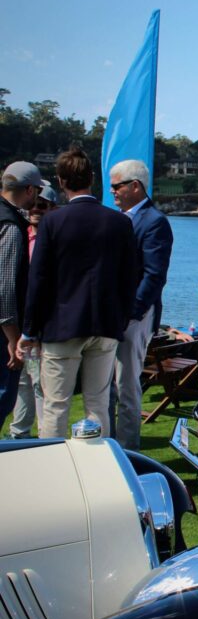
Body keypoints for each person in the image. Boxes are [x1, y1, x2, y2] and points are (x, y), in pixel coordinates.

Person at [18, 147, 136, 439]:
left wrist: (29, 330)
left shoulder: (53, 222)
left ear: (60, 181)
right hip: (106, 324)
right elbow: (131, 276)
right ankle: (99, 466)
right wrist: (120, 318)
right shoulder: (120, 222)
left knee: (56, 405)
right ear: (92, 178)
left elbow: (39, 279)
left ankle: (54, 471)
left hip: (62, 325)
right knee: (98, 402)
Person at [108, 159, 173, 450]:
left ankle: (129, 450)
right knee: (105, 385)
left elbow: (154, 275)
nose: (112, 191)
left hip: (135, 317)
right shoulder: (120, 219)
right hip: (112, 315)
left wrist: (132, 313)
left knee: (126, 385)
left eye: (117, 186)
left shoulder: (153, 221)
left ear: (136, 186)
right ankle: (107, 444)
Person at [8, 184, 59, 438]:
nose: (35, 210)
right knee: (20, 381)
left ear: (53, 208)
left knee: (41, 383)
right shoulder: (17, 233)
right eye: (33, 204)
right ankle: (19, 434)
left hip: (43, 325)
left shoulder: (56, 241)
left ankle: (44, 437)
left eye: (43, 205)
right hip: (17, 321)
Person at [0, 161, 44, 426]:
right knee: (4, 394)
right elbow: (5, 286)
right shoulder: (12, 227)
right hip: (3, 330)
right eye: (37, 192)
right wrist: (12, 336)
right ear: (28, 189)